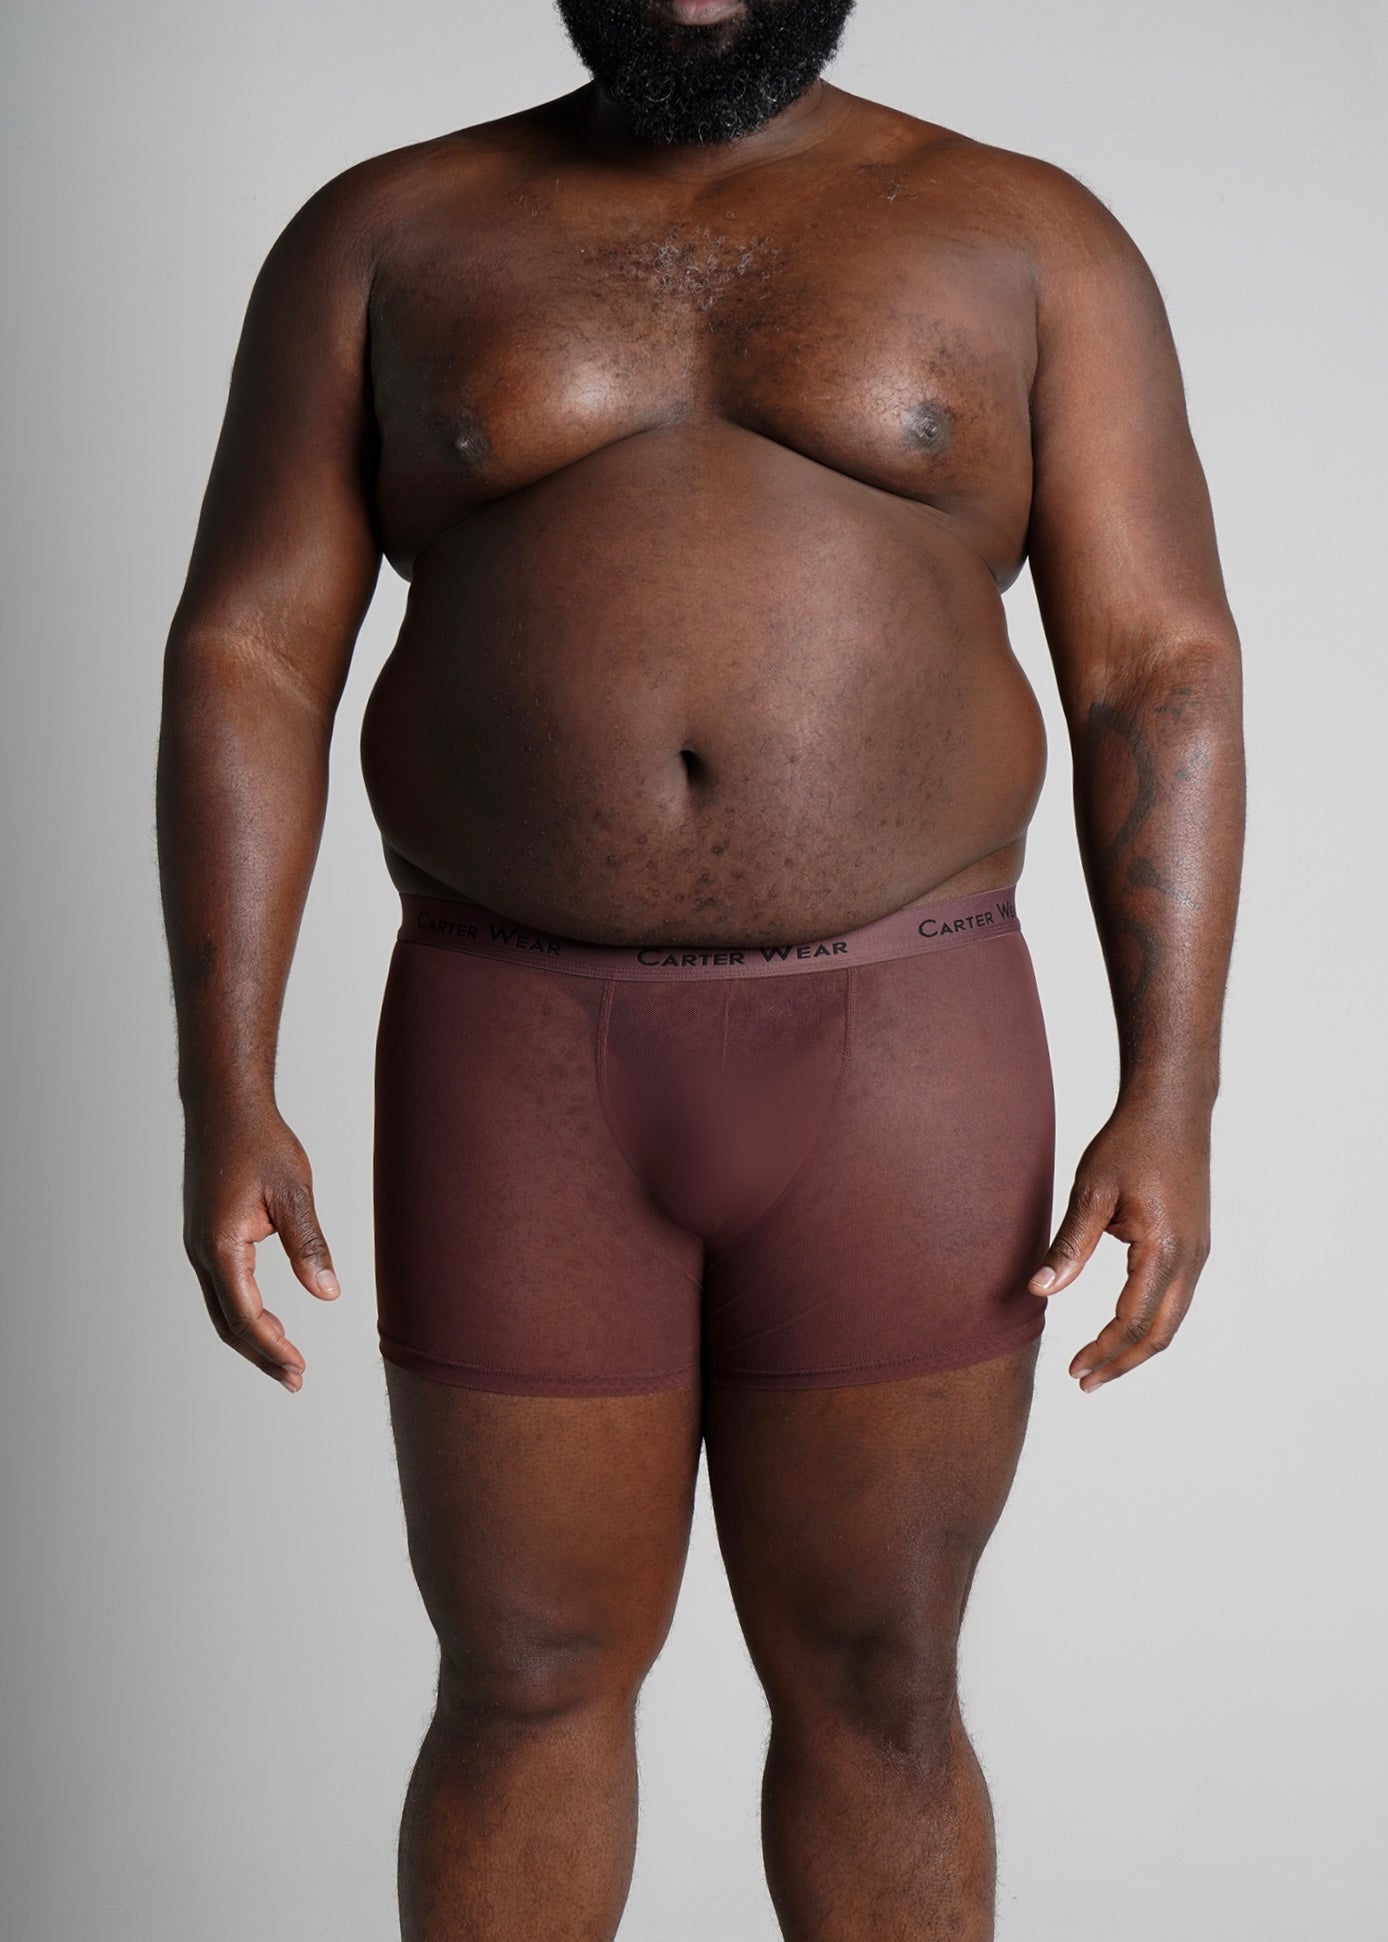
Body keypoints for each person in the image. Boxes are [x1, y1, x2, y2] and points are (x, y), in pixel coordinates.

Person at [155, 0, 1246, 1933]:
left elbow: (1157, 668)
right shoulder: (387, 237)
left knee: (884, 1680)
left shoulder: (1025, 238)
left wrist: (1175, 1091)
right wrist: (221, 1079)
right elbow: (248, 650)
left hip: (907, 1040)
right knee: (521, 1679)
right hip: (514, 1050)